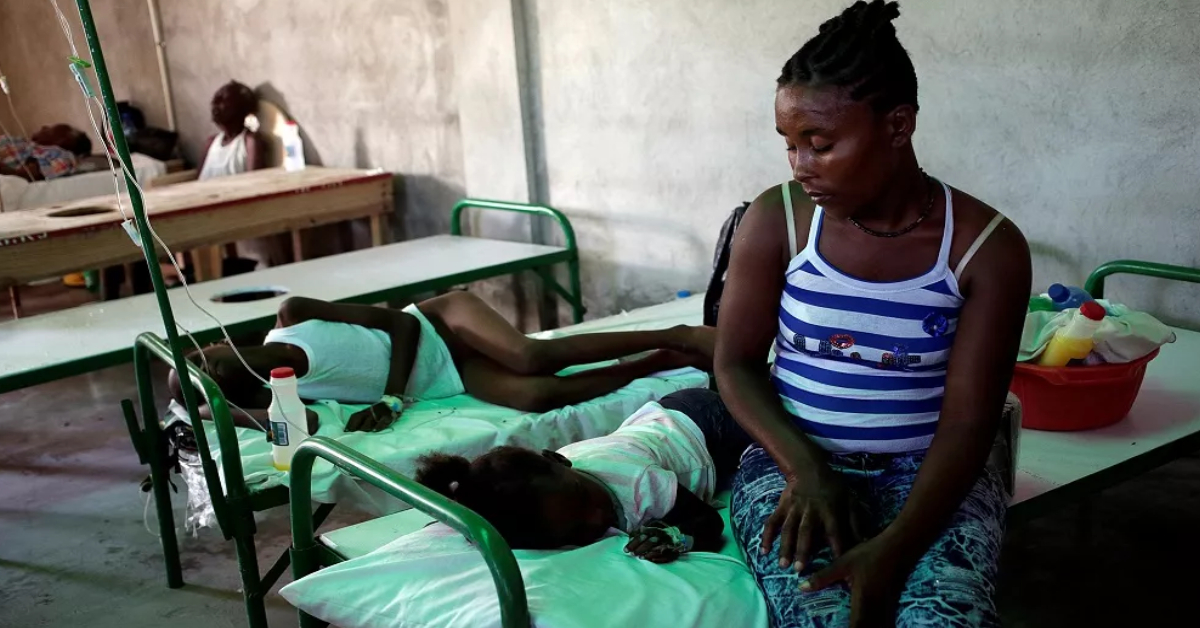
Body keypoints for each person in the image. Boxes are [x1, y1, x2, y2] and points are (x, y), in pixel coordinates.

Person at [681, 2, 1031, 626]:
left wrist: (893, 551)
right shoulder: (778, 221)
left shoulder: (985, 249)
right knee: (821, 615)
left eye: (821, 144)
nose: (800, 167)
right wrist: (807, 467)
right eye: (790, 145)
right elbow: (733, 363)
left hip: (933, 476)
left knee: (943, 618)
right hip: (793, 460)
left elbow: (968, 427)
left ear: (898, 126)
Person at [170, 291, 714, 434]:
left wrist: (390, 396)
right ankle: (653, 360)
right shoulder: (289, 396)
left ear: (212, 341)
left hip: (442, 321)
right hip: (440, 376)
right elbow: (301, 427)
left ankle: (680, 332)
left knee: (531, 355)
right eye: (204, 383)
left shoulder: (295, 315)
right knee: (536, 396)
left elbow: (400, 323)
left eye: (199, 358)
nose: (207, 367)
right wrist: (213, 414)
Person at [415, 391, 748, 562]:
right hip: (660, 422)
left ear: (560, 459)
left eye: (584, 497)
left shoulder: (637, 483)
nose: (598, 515)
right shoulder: (546, 495)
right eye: (578, 527)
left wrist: (675, 537)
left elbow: (708, 523)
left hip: (705, 423)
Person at [198, 81, 266, 180]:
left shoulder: (249, 142)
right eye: (215, 102)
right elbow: (197, 183)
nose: (215, 107)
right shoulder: (211, 142)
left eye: (222, 101)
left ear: (240, 108)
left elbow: (255, 183)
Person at [0, 124, 92, 181]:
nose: (44, 127)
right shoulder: (24, 142)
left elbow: (23, 175)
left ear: (63, 140)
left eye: (51, 129)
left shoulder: (62, 156)